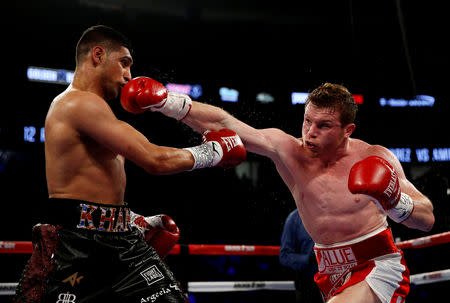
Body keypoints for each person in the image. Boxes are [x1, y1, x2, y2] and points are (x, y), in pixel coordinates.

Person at [124, 78, 435, 303]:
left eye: (324, 126)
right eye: (307, 121)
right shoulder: (289, 151)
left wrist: (396, 200)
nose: (310, 132)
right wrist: (168, 103)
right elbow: (224, 121)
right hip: (328, 272)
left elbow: (427, 218)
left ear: (347, 130)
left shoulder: (374, 157)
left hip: (375, 265)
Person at [14, 25, 246, 303]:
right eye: (124, 63)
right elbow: (155, 160)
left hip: (122, 242)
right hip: (76, 248)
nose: (129, 76)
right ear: (97, 55)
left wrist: (129, 219)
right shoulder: (77, 104)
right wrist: (214, 151)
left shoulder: (97, 111)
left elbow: (97, 187)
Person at [279, 209, 322, 302]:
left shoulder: (335, 215)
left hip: (335, 280)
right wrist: (308, 259)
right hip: (307, 282)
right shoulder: (294, 218)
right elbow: (284, 256)